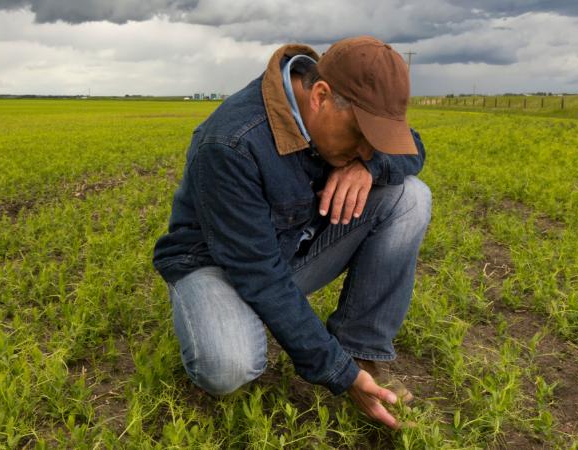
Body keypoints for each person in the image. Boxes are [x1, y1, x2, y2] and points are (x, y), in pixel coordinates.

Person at [152, 35, 431, 430]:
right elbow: (260, 274)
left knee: (410, 197)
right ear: (320, 96)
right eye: (361, 138)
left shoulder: (345, 115)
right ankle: (216, 315)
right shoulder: (231, 143)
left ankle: (360, 351)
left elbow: (412, 147)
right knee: (228, 366)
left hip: (287, 251)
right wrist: (337, 374)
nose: (366, 149)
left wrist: (367, 168)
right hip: (214, 265)